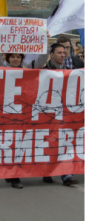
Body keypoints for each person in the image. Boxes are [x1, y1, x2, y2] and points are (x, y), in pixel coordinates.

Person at [0, 29, 50, 188]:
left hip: (24, 111)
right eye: (13, 57)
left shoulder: (28, 68)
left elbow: (42, 59)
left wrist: (46, 42)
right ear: (8, 58)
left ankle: (15, 173)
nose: (16, 59)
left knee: (21, 142)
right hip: (7, 112)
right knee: (10, 143)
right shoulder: (2, 67)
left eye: (18, 56)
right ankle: (12, 172)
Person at [43, 43, 80, 186]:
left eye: (64, 52)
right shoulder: (44, 71)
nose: (63, 55)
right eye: (59, 52)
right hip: (47, 112)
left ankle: (66, 175)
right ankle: (47, 171)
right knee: (49, 142)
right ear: (51, 54)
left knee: (64, 142)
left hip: (64, 113)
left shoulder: (70, 71)